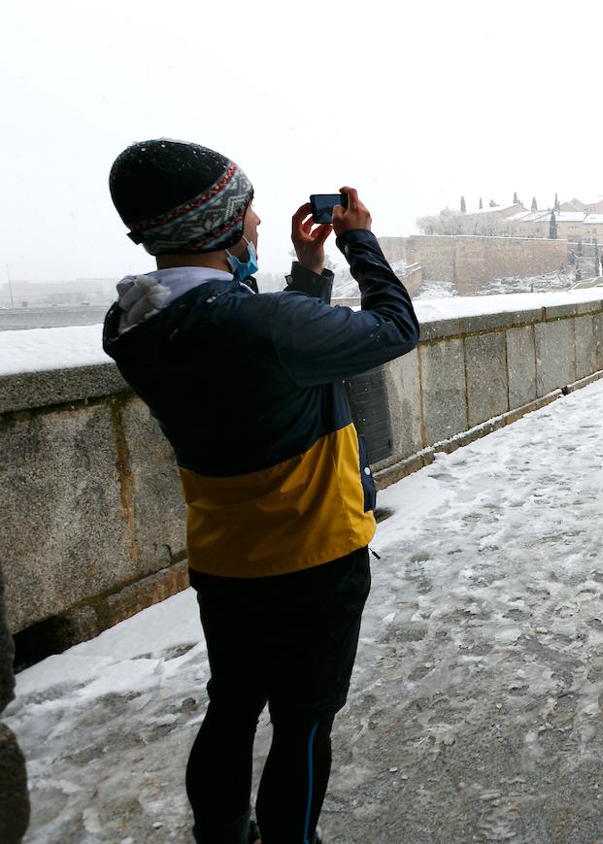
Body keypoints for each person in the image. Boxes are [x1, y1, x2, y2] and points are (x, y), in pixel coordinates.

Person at [103, 139, 420, 844]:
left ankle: (221, 837)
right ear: (215, 226)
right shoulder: (255, 323)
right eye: (246, 213)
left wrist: (307, 277)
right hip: (313, 553)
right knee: (304, 721)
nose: (255, 225)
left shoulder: (134, 323)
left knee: (233, 707)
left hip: (226, 556)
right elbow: (396, 328)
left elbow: (264, 361)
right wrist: (360, 243)